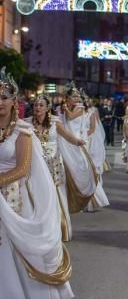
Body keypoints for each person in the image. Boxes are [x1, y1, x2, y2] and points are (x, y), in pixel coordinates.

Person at [0, 67, 73, 299]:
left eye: (4, 98)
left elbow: (21, 169)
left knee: (15, 246)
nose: (0, 103)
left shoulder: (22, 131)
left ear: (14, 102)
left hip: (15, 197)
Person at [26, 94, 96, 240]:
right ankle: (40, 230)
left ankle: (60, 229)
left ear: (48, 108)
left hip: (54, 166)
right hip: (36, 167)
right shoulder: (27, 123)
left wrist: (78, 142)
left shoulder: (55, 122)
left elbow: (67, 136)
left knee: (57, 196)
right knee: (38, 196)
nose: (38, 107)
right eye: (35, 105)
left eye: (41, 105)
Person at [60, 83, 109, 211]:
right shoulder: (63, 109)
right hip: (66, 141)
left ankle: (89, 200)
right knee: (69, 170)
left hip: (78, 142)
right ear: (67, 98)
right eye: (74, 96)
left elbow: (70, 117)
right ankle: (70, 199)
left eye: (78, 97)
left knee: (81, 170)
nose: (76, 99)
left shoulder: (80, 108)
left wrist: (65, 108)